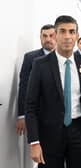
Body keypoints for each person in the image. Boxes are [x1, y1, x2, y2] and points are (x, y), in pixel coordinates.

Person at [25, 15, 81, 168]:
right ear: (55, 35)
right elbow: (30, 105)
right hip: (49, 133)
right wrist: (34, 142)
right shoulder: (40, 65)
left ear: (77, 36)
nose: (67, 37)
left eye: (72, 32)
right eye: (62, 31)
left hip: (77, 130)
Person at [16, 24, 56, 168]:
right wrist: (21, 115)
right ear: (40, 38)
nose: (48, 39)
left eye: (51, 36)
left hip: (60, 117)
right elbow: (23, 87)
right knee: (42, 157)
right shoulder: (31, 58)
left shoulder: (64, 58)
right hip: (38, 116)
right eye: (44, 36)